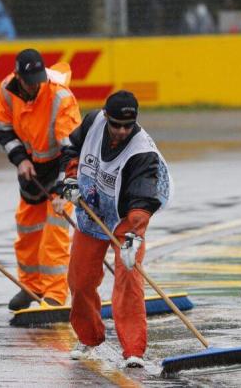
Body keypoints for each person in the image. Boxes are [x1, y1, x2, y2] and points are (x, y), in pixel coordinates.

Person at [54, 90, 173, 368]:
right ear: (106, 116)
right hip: (93, 211)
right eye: (116, 124)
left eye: (127, 126)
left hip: (126, 218)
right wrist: (70, 179)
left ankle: (133, 350)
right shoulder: (93, 122)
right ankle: (88, 338)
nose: (121, 131)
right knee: (80, 280)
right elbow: (70, 148)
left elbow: (142, 196)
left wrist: (133, 237)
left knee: (128, 280)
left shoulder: (142, 152)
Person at [0, 49, 81, 310]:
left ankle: (54, 294)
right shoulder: (7, 90)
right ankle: (31, 288)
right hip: (30, 167)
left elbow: (71, 148)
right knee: (28, 228)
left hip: (61, 166)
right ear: (18, 76)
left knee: (55, 231)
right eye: (29, 80)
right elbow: (2, 128)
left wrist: (64, 188)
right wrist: (20, 159)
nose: (34, 85)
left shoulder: (60, 97)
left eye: (38, 79)